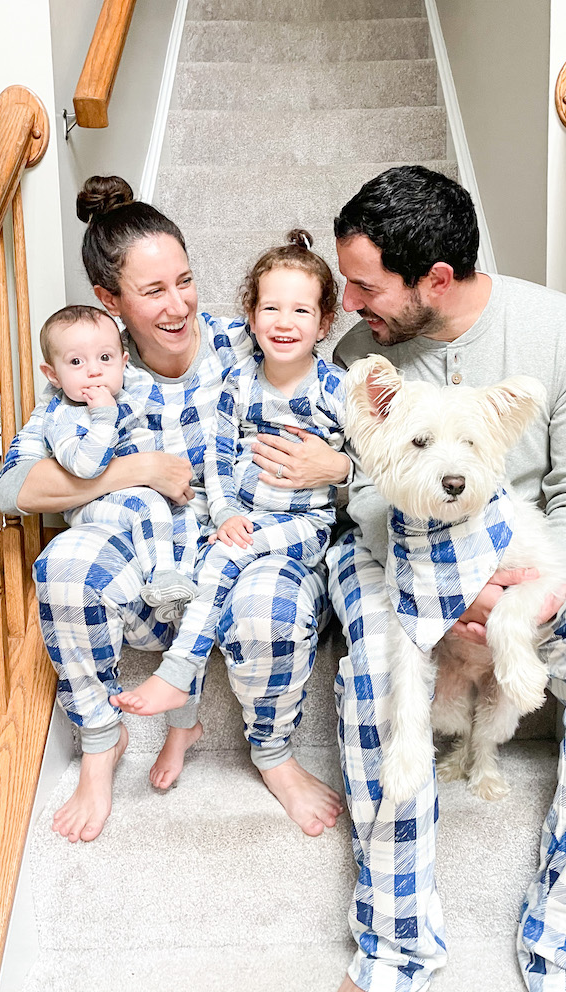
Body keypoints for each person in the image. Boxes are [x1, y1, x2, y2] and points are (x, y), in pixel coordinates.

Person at [322, 165, 566, 992]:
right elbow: (365, 491)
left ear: (434, 280)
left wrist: (542, 583)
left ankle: (563, 945)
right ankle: (393, 943)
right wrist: (450, 584)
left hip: (530, 555)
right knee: (379, 667)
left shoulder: (565, 330)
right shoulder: (358, 358)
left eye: (365, 284)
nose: (346, 302)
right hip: (393, 550)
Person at [0, 175, 349, 842]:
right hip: (147, 576)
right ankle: (103, 739)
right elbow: (16, 489)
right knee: (67, 562)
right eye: (154, 290)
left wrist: (339, 468)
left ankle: (273, 754)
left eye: (185, 280)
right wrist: (138, 470)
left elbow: (340, 409)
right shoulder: (96, 368)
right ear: (110, 299)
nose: (179, 303)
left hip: (242, 553)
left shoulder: (245, 341)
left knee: (271, 605)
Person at [113, 230, 347, 738]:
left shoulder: (336, 388)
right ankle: (182, 726)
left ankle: (176, 672)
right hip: (241, 518)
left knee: (218, 561)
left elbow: (374, 455)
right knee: (202, 569)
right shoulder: (239, 381)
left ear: (325, 322)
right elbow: (216, 460)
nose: (284, 323)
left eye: (302, 312)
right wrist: (222, 513)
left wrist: (341, 465)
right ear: (251, 315)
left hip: (302, 525)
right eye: (271, 309)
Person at [37, 303, 197, 622]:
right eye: (76, 362)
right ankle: (162, 576)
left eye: (105, 358)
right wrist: (103, 417)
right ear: (53, 375)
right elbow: (85, 467)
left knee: (186, 518)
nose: (94, 370)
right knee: (148, 503)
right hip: (92, 503)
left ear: (123, 363)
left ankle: (174, 594)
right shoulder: (64, 417)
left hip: (138, 500)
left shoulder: (125, 396)